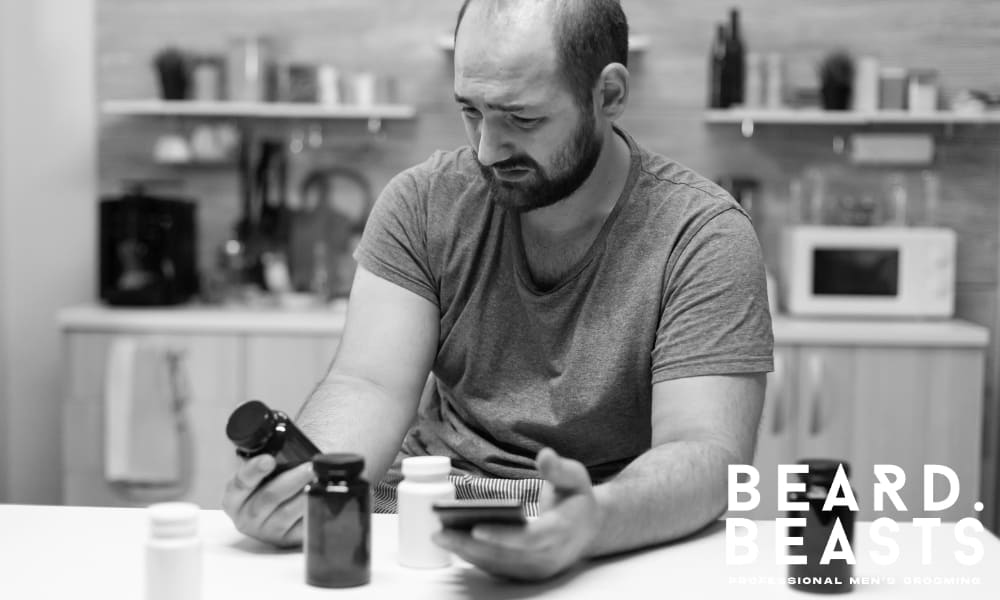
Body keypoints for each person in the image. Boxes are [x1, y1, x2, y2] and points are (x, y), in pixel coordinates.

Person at [223, 0, 773, 581]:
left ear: (608, 96)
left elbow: (708, 454)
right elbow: (369, 384)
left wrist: (591, 522)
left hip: (606, 526)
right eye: (471, 111)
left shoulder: (703, 236)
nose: (487, 149)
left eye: (523, 119)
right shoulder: (423, 202)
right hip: (421, 508)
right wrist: (309, 487)